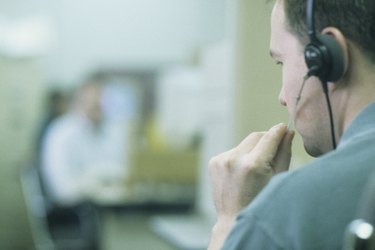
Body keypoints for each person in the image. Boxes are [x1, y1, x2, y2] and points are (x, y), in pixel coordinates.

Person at [208, 0, 375, 249]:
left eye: (281, 62)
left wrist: (231, 222)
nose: (282, 98)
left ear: (328, 57)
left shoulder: (292, 211)